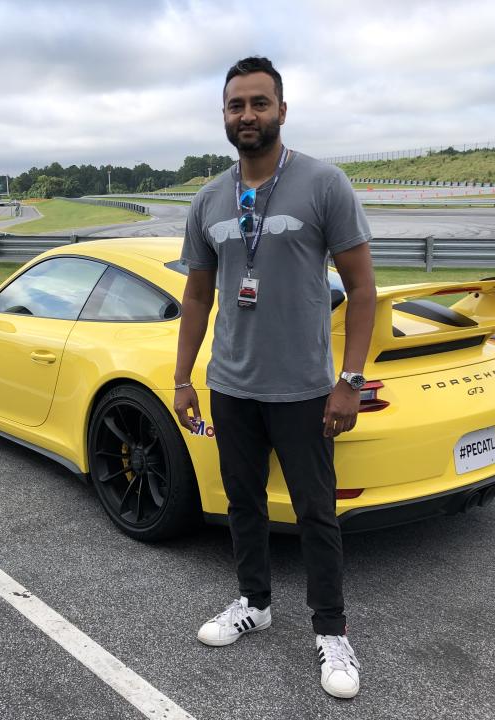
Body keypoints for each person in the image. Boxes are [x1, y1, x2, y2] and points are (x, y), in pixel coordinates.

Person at [173, 56, 376, 699]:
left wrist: (350, 379)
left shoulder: (323, 183)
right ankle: (254, 603)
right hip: (232, 387)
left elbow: (364, 289)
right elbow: (198, 298)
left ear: (282, 111)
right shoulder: (208, 199)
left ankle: (332, 630)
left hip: (305, 389)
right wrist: (183, 378)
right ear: (224, 116)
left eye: (260, 104)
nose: (248, 116)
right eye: (236, 106)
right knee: (244, 504)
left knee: (318, 513)